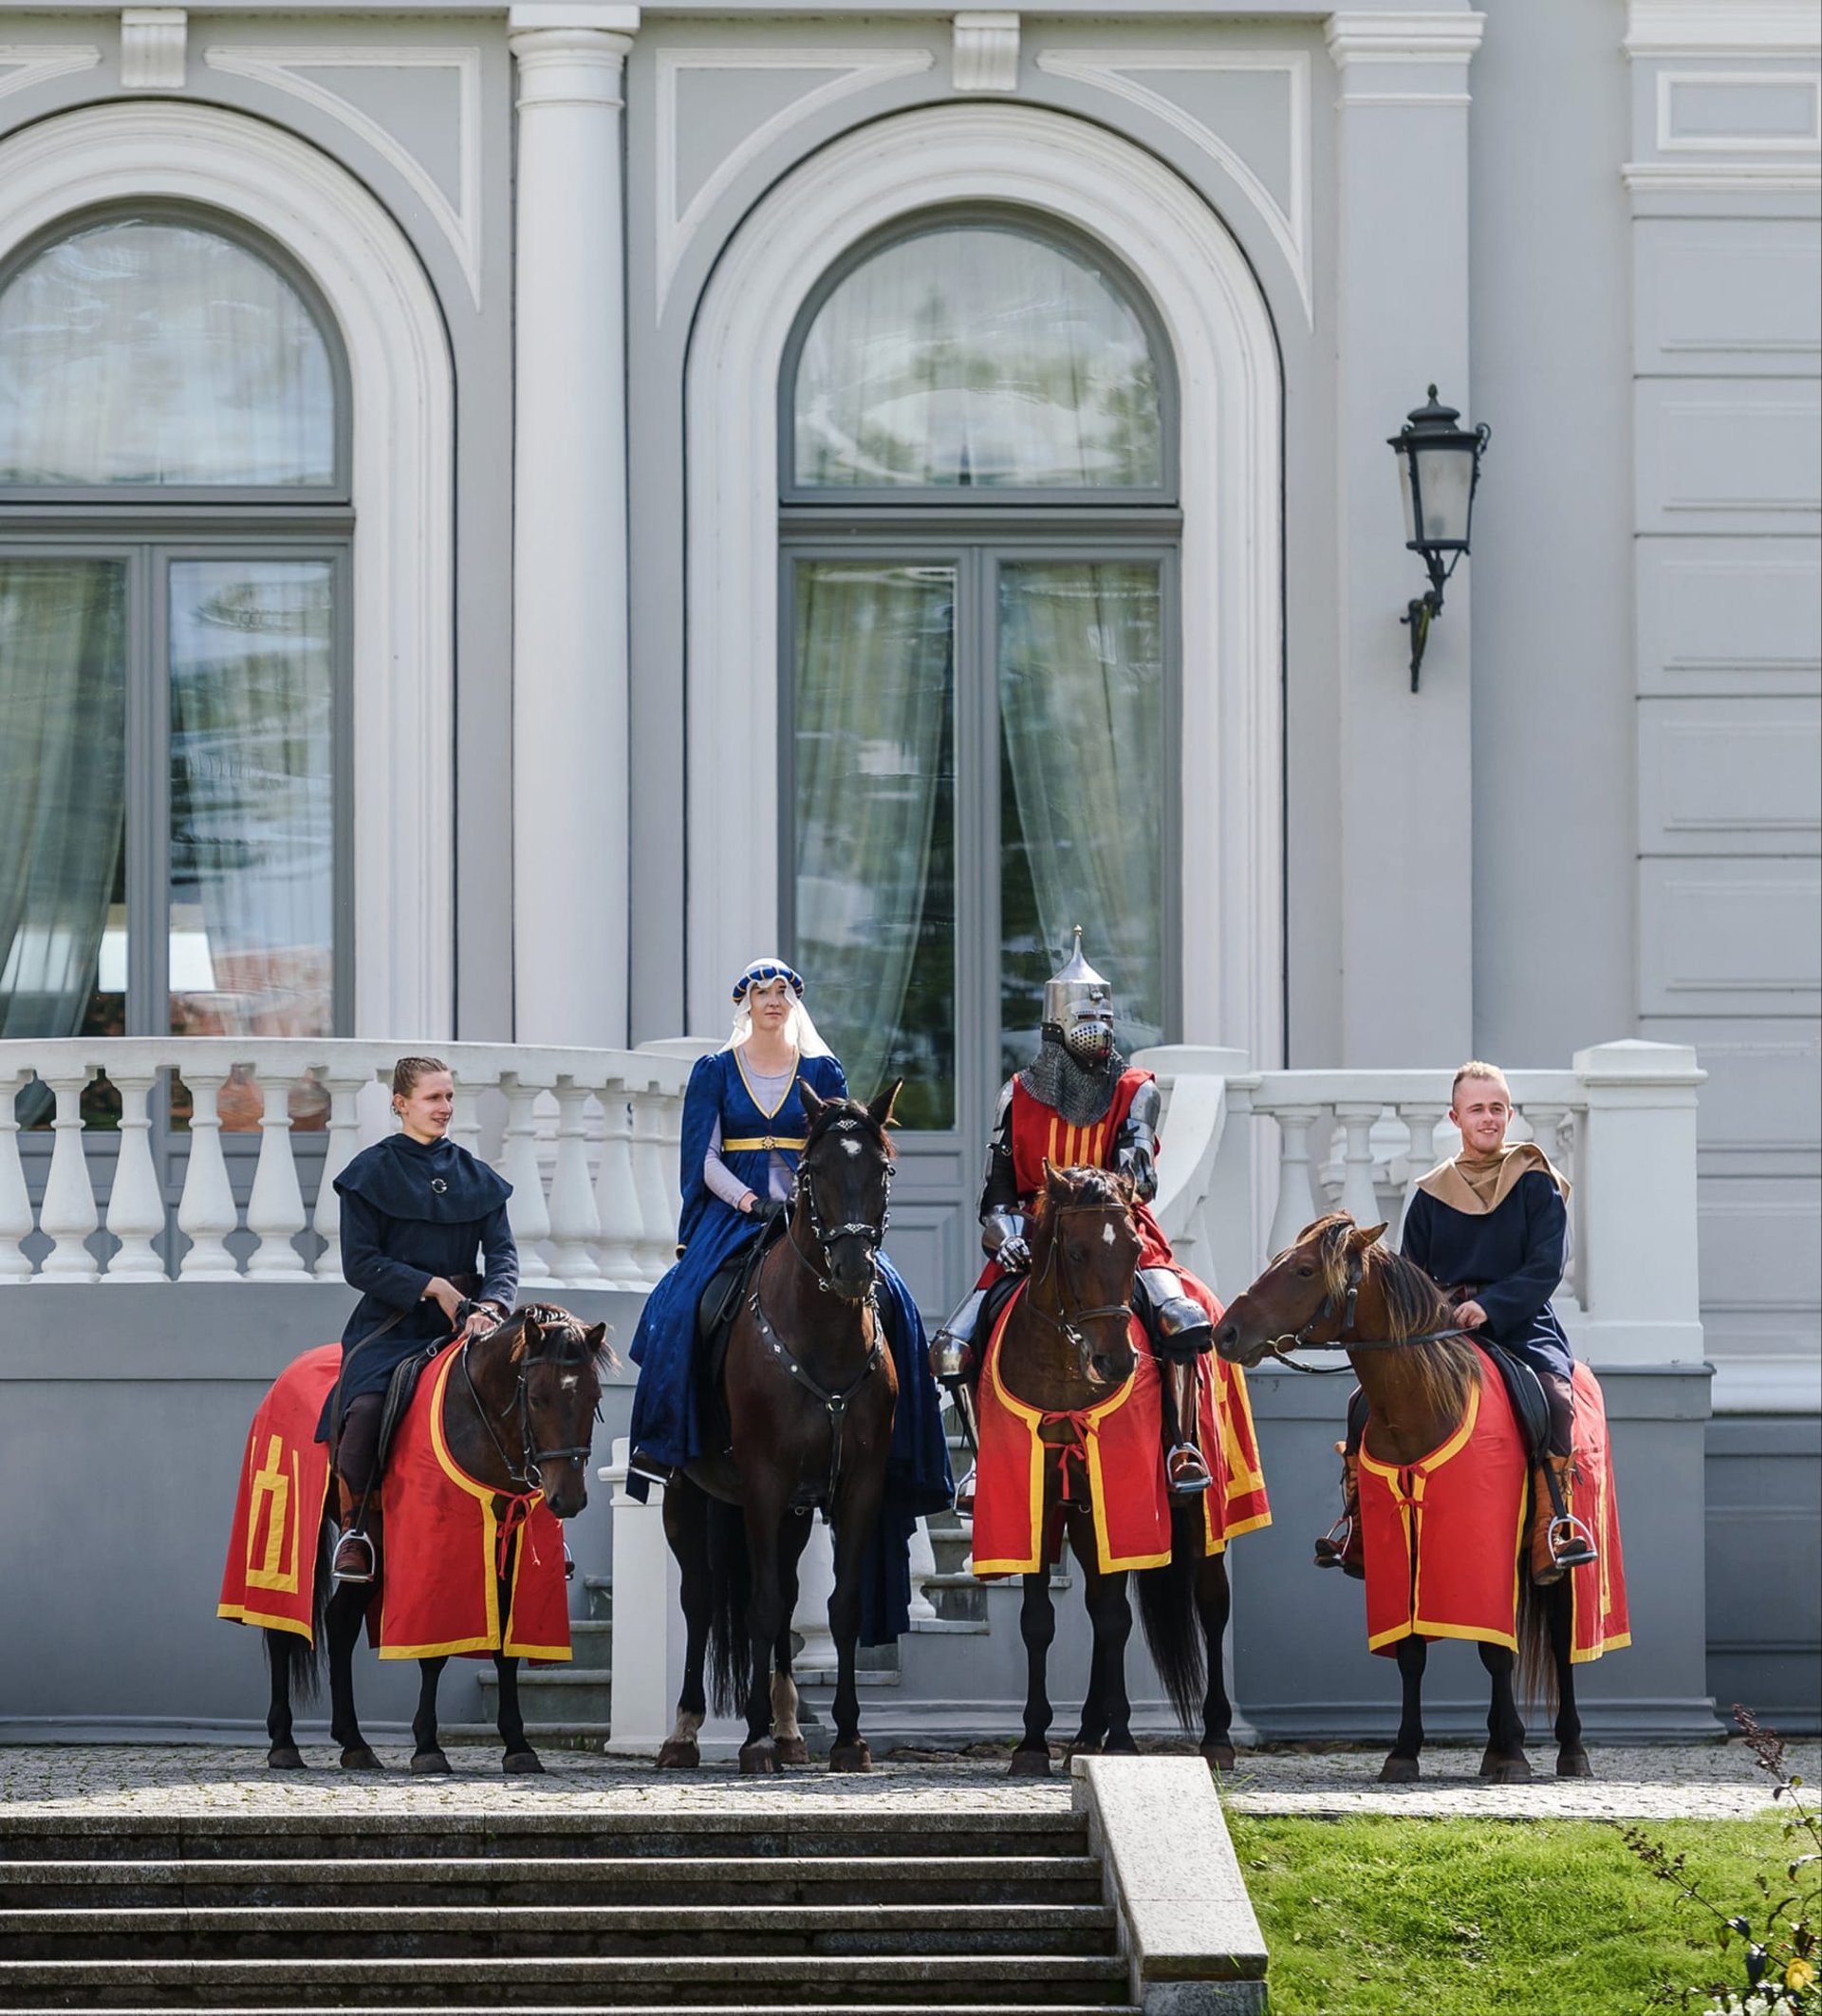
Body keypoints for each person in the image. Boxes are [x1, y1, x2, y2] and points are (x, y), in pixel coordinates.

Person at [624, 959, 951, 1641]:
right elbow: (703, 1157)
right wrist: (749, 1200)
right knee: (678, 1305)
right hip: (737, 1213)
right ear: (744, 1002)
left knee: (894, 1301)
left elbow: (844, 1149)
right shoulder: (716, 1071)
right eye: (761, 992)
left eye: (783, 992)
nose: (773, 1001)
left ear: (795, 1002)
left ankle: (907, 1447)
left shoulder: (824, 1071)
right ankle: (667, 1439)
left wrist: (809, 1206)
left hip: (818, 1217)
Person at [930, 930, 1217, 1501]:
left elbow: (1140, 1180)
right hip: (1036, 1241)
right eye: (1087, 1017)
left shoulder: (1135, 1090)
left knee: (1180, 1320)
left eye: (1105, 1018)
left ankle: (1182, 1447)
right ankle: (981, 1467)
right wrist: (1008, 1236)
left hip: (1114, 1235)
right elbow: (996, 1195)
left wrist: (1123, 1175)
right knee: (951, 1349)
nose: (1100, 1028)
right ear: (1055, 1025)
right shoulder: (1018, 1094)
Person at [1314, 1060, 1598, 1586]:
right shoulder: (1431, 1193)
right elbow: (1411, 1275)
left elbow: (1546, 1267)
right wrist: (1438, 1312)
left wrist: (1492, 1306)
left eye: (1497, 1108)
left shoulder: (1536, 1182)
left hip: (1520, 1323)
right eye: (1477, 1109)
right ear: (1456, 1117)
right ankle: (1355, 1524)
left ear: (1509, 1114)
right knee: (1362, 1405)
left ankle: (1552, 1525)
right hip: (1442, 1329)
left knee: (1556, 1401)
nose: (1488, 1118)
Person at [320, 1056, 517, 1584]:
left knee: (531, 1394)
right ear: (400, 1103)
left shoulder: (477, 1177)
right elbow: (360, 1263)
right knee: (365, 1409)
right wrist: (434, 1287)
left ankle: (538, 1526)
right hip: (392, 1326)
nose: (445, 1107)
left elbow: (503, 1257)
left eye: (449, 1096)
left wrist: (494, 1306)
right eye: (433, 1098)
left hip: (470, 1326)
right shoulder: (369, 1173)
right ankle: (356, 1530)